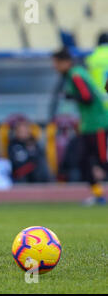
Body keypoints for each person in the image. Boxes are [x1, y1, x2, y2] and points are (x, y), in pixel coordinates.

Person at [53, 48, 108, 205]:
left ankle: (98, 195)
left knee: (102, 161)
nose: (55, 67)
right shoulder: (75, 74)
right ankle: (98, 195)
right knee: (83, 159)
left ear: (65, 62)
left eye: (56, 63)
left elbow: (87, 97)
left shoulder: (76, 75)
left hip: (97, 124)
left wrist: (70, 96)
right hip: (88, 125)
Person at [8, 118, 49, 183]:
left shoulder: (33, 142)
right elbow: (15, 162)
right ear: (17, 132)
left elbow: (40, 156)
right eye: (21, 131)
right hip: (21, 172)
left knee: (42, 169)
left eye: (25, 131)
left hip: (35, 170)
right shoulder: (13, 144)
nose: (23, 133)